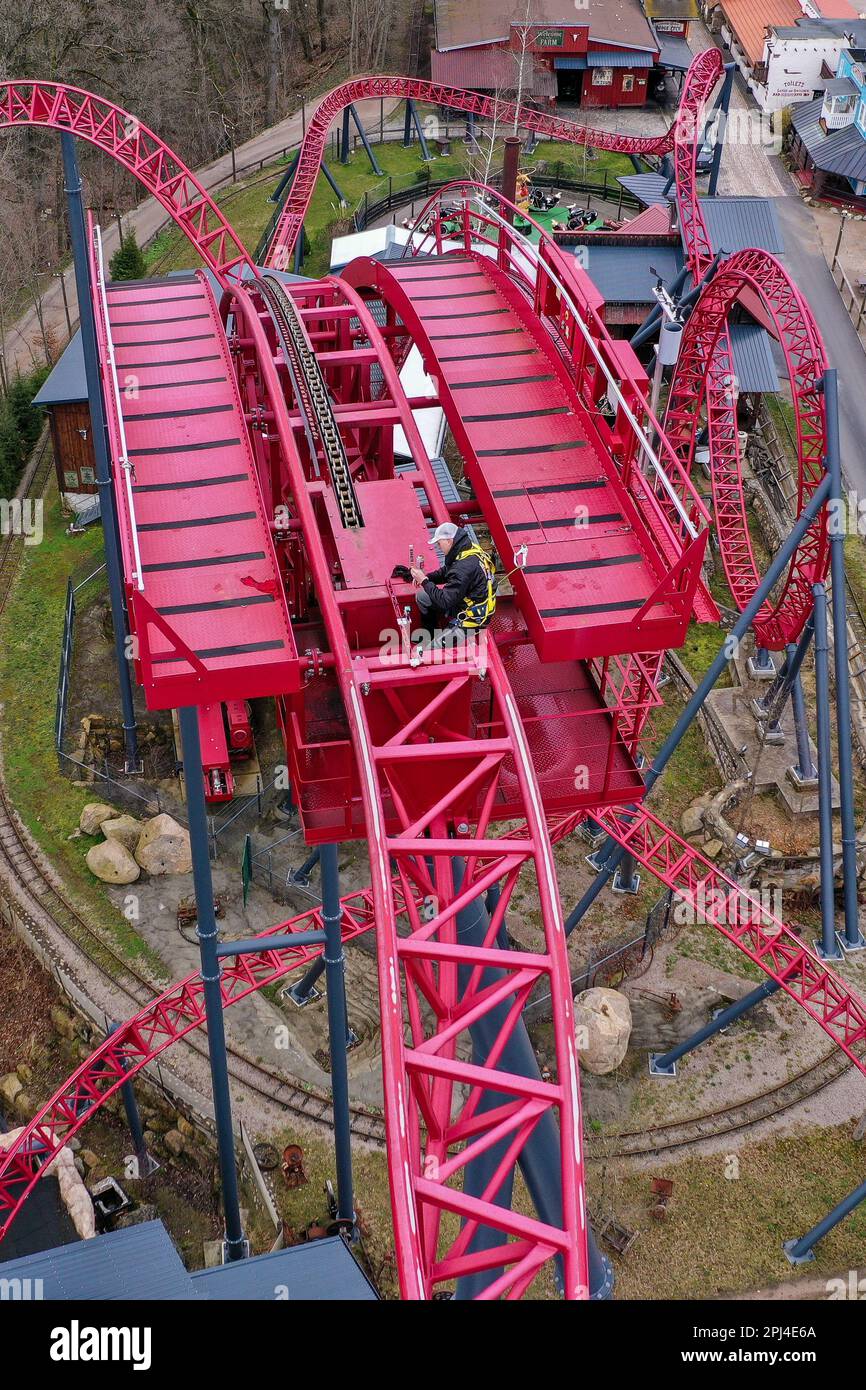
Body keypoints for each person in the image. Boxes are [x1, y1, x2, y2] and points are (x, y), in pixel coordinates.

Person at [408, 521, 496, 646]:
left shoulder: (463, 567)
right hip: (466, 602)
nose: (438, 546)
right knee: (422, 597)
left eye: (439, 543)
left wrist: (424, 581)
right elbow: (447, 571)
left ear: (449, 541)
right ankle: (429, 635)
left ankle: (432, 644)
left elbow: (445, 601)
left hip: (472, 619)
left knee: (431, 650)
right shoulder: (468, 549)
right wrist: (427, 577)